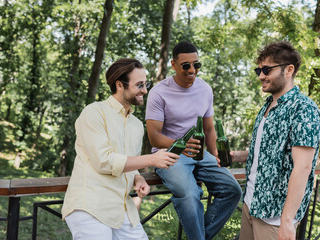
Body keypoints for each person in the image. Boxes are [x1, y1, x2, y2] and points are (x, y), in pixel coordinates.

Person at [61, 58, 179, 240]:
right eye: (139, 85)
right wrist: (152, 159)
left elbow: (129, 163)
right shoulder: (94, 112)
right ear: (119, 85)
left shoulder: (137, 125)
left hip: (123, 209)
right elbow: (104, 161)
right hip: (90, 207)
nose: (145, 90)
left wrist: (138, 178)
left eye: (146, 84)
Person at [145, 41, 242, 240]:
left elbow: (208, 129)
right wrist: (182, 144)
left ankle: (200, 237)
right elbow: (154, 137)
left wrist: (216, 154)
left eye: (196, 65)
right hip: (169, 155)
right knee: (190, 193)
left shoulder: (205, 89)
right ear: (173, 65)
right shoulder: (158, 92)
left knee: (232, 189)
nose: (192, 70)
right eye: (186, 65)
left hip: (200, 154)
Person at [231, 42, 320, 240]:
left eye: (266, 70)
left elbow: (303, 168)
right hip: (251, 204)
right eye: (259, 69)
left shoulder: (303, 109)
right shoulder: (267, 105)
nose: (261, 76)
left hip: (275, 217)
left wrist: (287, 221)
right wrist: (238, 156)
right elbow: (271, 152)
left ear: (289, 70)